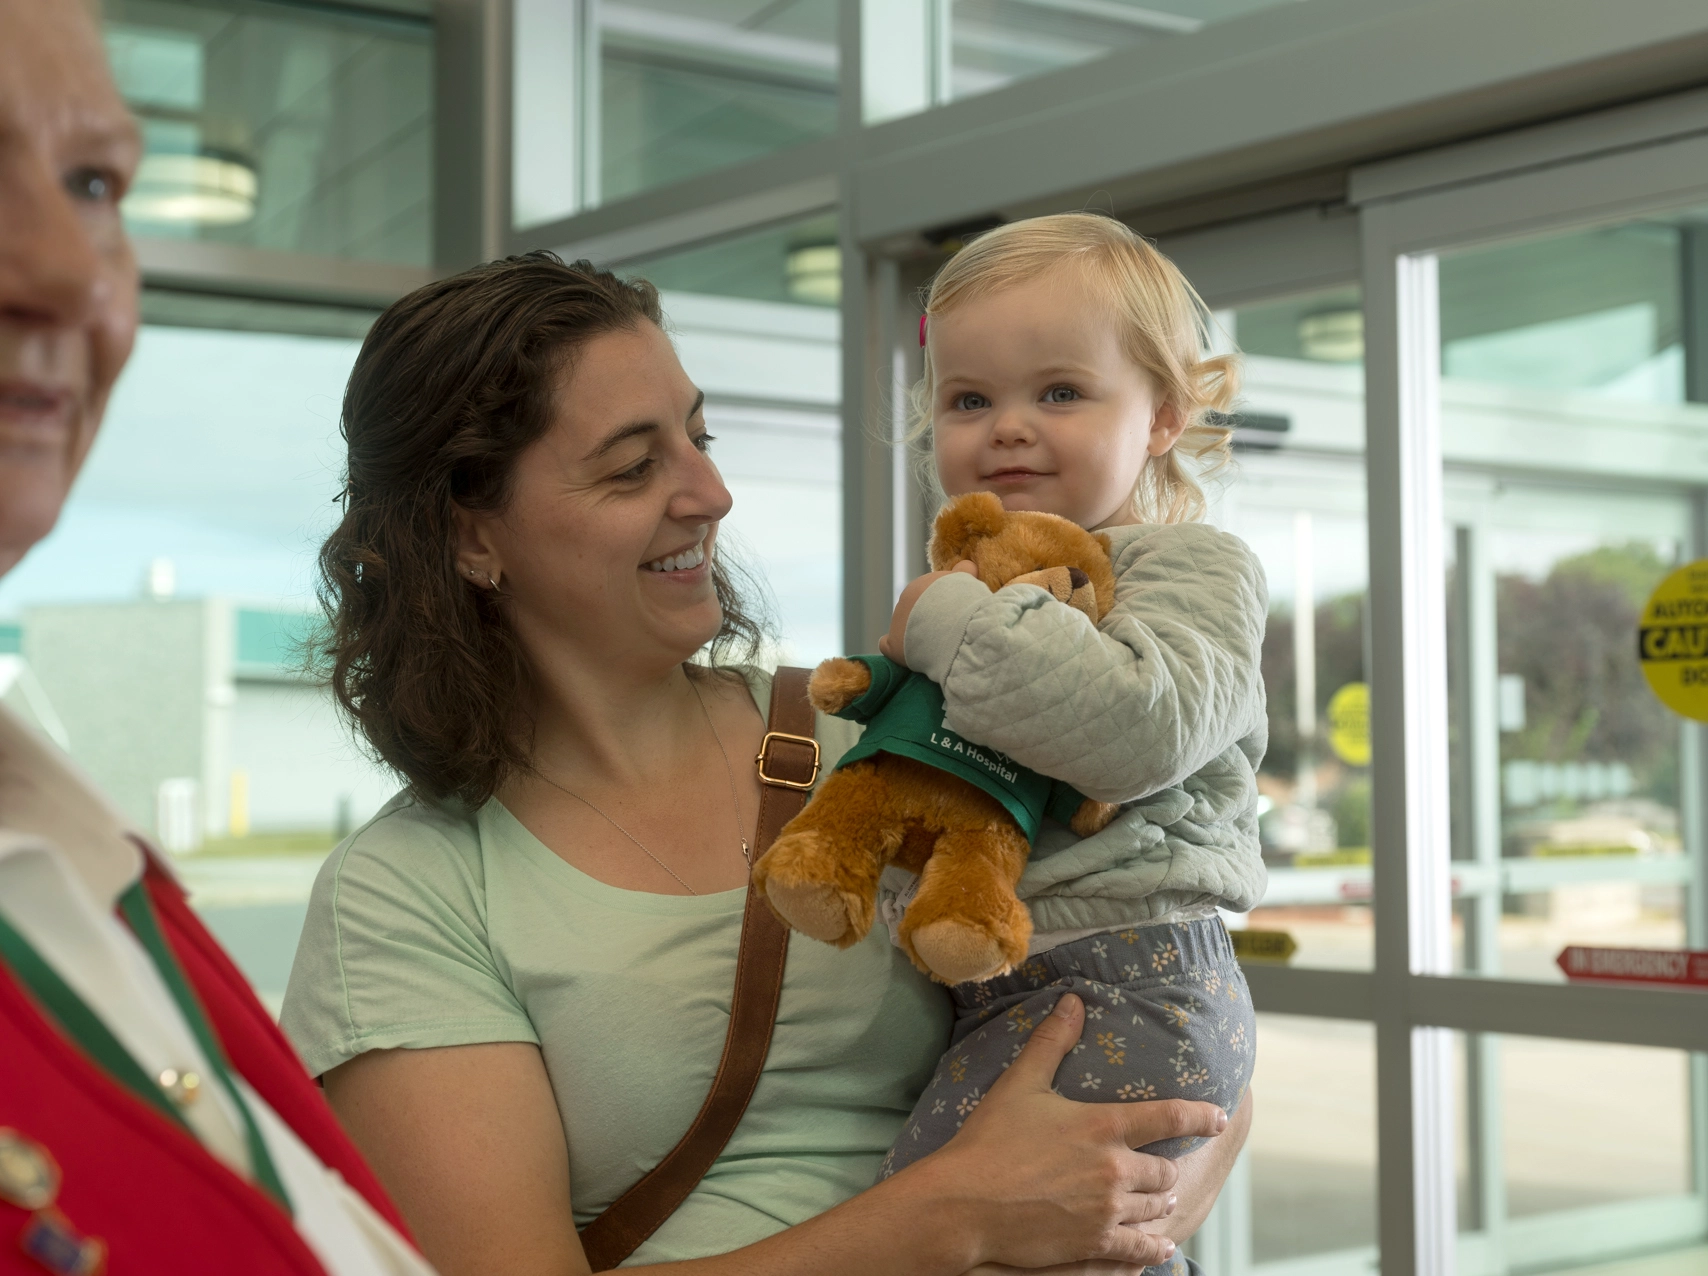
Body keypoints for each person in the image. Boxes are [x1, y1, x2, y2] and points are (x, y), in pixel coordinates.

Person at [280, 251, 1250, 1276]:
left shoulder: (873, 730)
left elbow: (1175, 1013)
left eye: (698, 439)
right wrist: (955, 1217)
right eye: (632, 466)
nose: (712, 493)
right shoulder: (405, 892)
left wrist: (1117, 1200)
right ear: (472, 537)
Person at [0, 3, 430, 1273]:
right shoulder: (401, 890)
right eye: (626, 465)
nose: (68, 273)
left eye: (92, 184)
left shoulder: (92, 866)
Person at [839, 213, 1267, 1182]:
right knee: (1019, 1230)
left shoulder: (1194, 568)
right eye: (969, 398)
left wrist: (949, 623)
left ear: (1162, 416)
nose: (1008, 425)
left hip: (1128, 976)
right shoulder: (978, 590)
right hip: (1022, 982)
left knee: (940, 1215)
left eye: (1061, 391)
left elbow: (1140, 730)